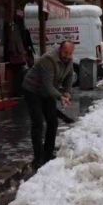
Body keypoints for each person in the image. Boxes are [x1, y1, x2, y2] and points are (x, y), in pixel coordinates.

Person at [22, 40, 75, 169]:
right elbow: (48, 85)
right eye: (64, 52)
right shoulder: (49, 59)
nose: (66, 56)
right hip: (33, 90)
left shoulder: (69, 61)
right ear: (60, 49)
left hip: (47, 92)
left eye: (69, 53)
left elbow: (69, 77)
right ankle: (38, 157)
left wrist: (67, 92)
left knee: (53, 122)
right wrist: (60, 97)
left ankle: (48, 153)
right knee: (38, 122)